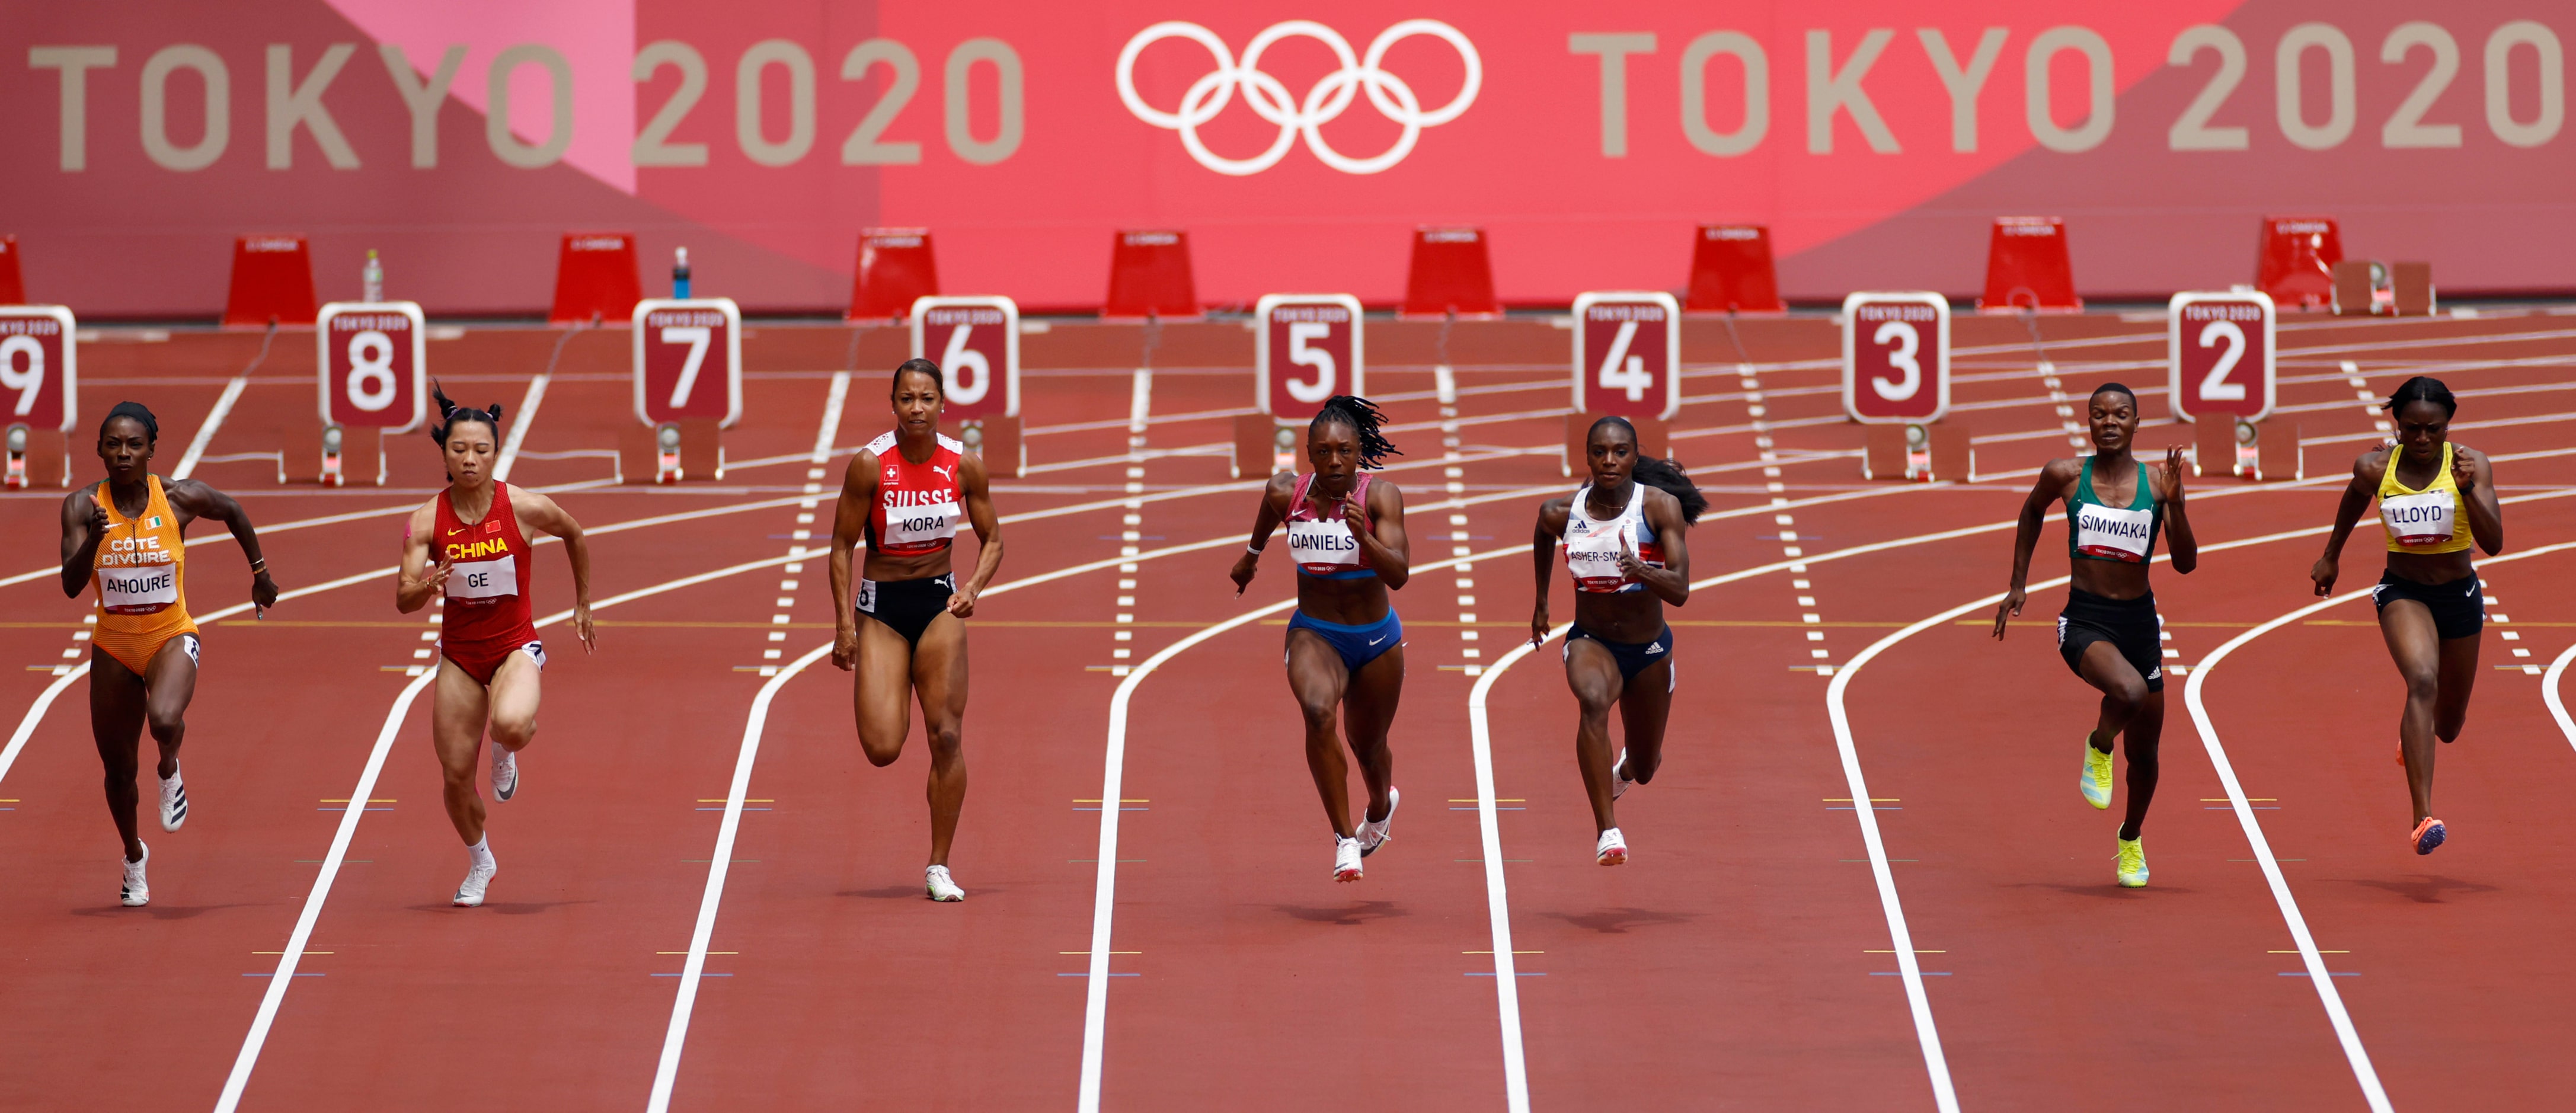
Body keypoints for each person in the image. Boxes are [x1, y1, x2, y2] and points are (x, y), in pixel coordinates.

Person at [59, 401, 278, 907]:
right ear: (98, 450)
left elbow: (234, 512)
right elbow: (72, 585)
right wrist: (94, 537)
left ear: (152, 451)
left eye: (134, 444)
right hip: (114, 645)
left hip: (171, 634)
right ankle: (134, 858)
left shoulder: (179, 498)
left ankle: (170, 767)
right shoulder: (80, 506)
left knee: (163, 718)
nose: (123, 453)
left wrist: (260, 574)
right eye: (112, 444)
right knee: (117, 773)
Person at [396, 385, 593, 907]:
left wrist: (583, 604)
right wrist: (428, 586)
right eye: (459, 449)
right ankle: (481, 860)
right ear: (444, 453)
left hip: (513, 647)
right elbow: (402, 599)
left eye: (481, 450)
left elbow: (575, 533)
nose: (470, 459)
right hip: (460, 657)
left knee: (509, 724)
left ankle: (504, 752)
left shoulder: (522, 507)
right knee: (456, 778)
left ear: (495, 453)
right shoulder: (425, 521)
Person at [1993, 383, 2197, 888]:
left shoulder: (2158, 481)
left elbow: (2187, 564)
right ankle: (2099, 743)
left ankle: (2131, 839)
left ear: (2136, 424)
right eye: (2099, 414)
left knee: (2147, 756)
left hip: (2140, 625)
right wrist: (2018, 585)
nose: (2109, 422)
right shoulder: (2065, 475)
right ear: (2088, 422)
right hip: (2084, 622)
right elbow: (2030, 512)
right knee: (2127, 692)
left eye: (2120, 415)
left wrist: (2177, 505)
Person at [829, 358, 1005, 901]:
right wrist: (843, 626)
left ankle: (939, 866)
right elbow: (840, 547)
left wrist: (972, 587)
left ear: (943, 404)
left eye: (927, 399)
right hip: (881, 609)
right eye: (907, 399)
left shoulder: (963, 465)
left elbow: (994, 538)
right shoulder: (869, 466)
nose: (917, 409)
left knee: (947, 735)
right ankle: (884, 686)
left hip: (938, 605)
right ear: (893, 405)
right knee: (883, 747)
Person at [2310, 376, 2503, 856]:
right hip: (2403, 591)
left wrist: (2468, 491)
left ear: (2447, 426)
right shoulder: (2376, 467)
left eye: (2432, 430)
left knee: (2450, 725)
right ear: (2396, 424)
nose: (2421, 439)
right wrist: (2332, 554)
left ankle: (2412, 739)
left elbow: (2495, 542)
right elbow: (2354, 497)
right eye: (2411, 429)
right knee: (2421, 679)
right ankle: (2423, 818)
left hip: (2458, 594)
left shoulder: (2472, 464)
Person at [1229, 395, 1411, 882]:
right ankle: (1343, 840)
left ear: (1358, 454)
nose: (1335, 462)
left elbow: (1401, 576)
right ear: (1309, 454)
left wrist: (1365, 539)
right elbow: (1269, 514)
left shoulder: (1380, 498)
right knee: (1317, 713)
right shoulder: (1286, 493)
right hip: (1315, 632)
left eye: (1345, 452)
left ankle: (1378, 806)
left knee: (1368, 747)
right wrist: (1250, 556)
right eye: (1324, 452)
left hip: (1376, 641)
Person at [1527, 416, 1702, 866]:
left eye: (1620, 452)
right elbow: (1543, 535)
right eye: (1600, 452)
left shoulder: (1660, 508)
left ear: (1635, 456)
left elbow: (1681, 590)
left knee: (1646, 769)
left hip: (1647, 650)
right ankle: (1608, 830)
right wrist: (1542, 601)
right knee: (1592, 701)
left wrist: (1642, 570)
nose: (1609, 461)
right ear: (1586, 457)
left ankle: (1624, 769)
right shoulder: (1562, 512)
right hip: (1592, 641)